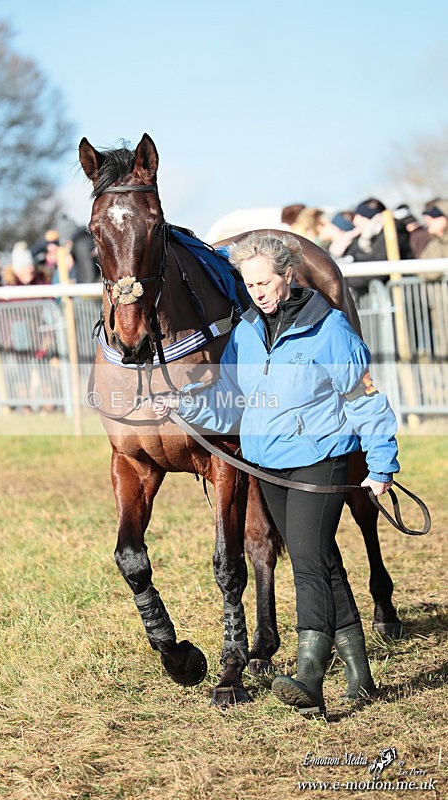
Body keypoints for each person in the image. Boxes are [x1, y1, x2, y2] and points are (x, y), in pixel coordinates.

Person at [153, 232, 399, 718]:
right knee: (324, 563)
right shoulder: (244, 331)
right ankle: (361, 676)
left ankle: (309, 672)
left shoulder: (330, 331)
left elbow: (365, 400)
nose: (259, 292)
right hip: (270, 464)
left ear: (288, 276)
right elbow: (233, 398)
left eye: (266, 282)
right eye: (250, 284)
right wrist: (181, 404)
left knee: (306, 563)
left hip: (320, 458)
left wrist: (381, 464)